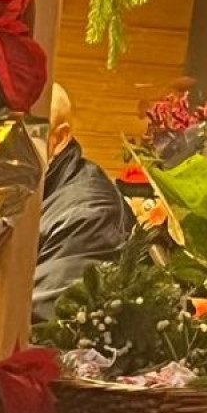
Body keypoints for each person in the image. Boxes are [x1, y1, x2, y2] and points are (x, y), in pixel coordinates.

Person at [34, 84, 134, 323]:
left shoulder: (88, 215)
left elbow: (45, 325)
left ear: (59, 138)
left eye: (25, 132)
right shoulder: (34, 193)